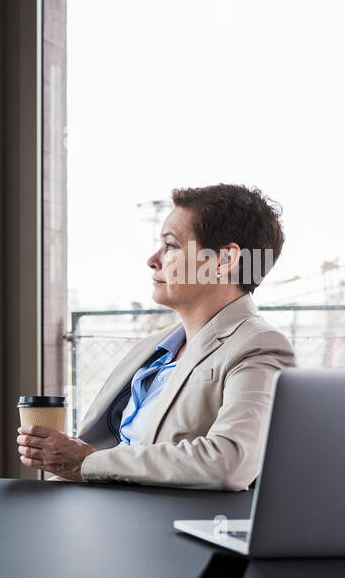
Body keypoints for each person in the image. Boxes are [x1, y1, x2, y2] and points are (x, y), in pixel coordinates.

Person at [18, 183, 297, 491]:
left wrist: (87, 463)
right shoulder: (156, 347)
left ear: (225, 261)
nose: (153, 259)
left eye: (171, 246)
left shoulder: (258, 346)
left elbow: (229, 462)